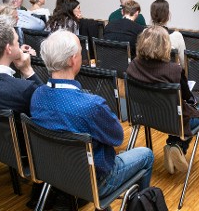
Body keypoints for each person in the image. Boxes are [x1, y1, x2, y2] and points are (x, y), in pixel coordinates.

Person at [30, 30, 154, 200]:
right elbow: (117, 137)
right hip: (95, 181)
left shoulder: (37, 96)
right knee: (147, 155)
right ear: (72, 60)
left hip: (54, 173)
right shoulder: (91, 105)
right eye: (80, 52)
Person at [126, 26, 199, 174]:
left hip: (145, 116)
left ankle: (173, 145)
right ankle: (176, 145)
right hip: (171, 120)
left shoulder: (133, 65)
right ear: (165, 45)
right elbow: (187, 97)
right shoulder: (174, 70)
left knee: (176, 112)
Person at [150, 0, 186, 68]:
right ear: (167, 15)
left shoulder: (145, 34)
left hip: (148, 73)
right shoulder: (176, 36)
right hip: (169, 74)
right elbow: (184, 64)